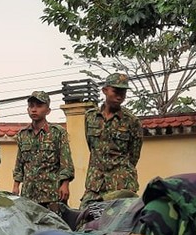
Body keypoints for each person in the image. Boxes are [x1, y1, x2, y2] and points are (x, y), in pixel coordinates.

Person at [82, 73, 143, 206]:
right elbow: (91, 146)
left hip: (121, 184)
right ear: (105, 90)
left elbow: (134, 156)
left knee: (121, 224)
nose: (119, 96)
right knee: (84, 219)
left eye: (123, 92)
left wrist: (119, 171)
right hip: (95, 184)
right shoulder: (91, 117)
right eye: (115, 91)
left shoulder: (131, 121)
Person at [12, 91, 74, 209]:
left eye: (39, 106)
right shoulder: (23, 135)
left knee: (54, 226)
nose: (34, 110)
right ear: (27, 109)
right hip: (29, 195)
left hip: (51, 195)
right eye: (31, 106)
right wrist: (16, 186)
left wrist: (65, 184)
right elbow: (19, 164)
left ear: (48, 110)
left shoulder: (57, 132)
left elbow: (66, 163)